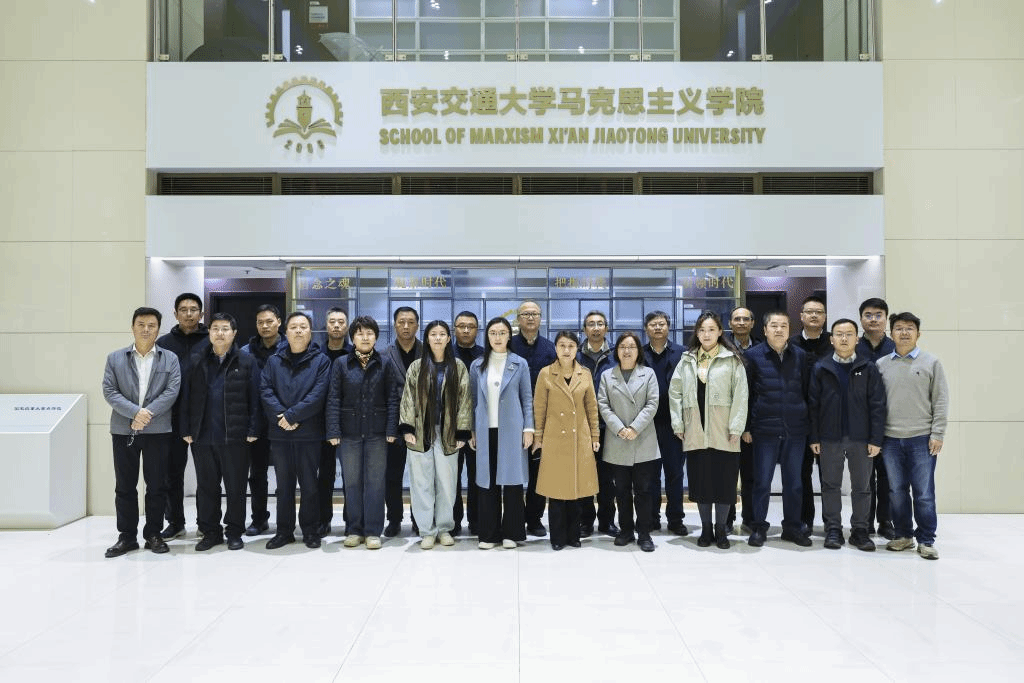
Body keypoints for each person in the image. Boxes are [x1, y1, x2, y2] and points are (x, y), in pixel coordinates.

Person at [102, 307, 181, 557]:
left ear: (158, 329)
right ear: (133, 327)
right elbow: (109, 391)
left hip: (158, 431)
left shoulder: (170, 359)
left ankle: (153, 534)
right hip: (123, 430)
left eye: (151, 325)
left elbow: (172, 391)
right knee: (125, 486)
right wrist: (135, 413)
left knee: (157, 485)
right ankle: (127, 537)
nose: (146, 329)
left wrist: (146, 415)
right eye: (141, 324)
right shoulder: (115, 358)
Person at [180, 313, 260, 551]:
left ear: (234, 333)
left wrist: (253, 428)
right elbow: (186, 397)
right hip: (203, 436)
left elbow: (255, 398)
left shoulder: (246, 361)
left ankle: (234, 531)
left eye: (225, 329)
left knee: (236, 487)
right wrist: (186, 428)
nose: (220, 333)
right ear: (209, 332)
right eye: (215, 328)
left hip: (235, 436)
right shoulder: (197, 360)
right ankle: (210, 532)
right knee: (206, 487)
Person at [669, 312, 748, 549]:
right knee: (701, 484)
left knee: (724, 484)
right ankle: (705, 530)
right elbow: (675, 393)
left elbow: (741, 395)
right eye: (702, 330)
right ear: (697, 333)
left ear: (720, 332)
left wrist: (736, 427)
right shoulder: (687, 360)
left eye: (711, 329)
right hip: (695, 431)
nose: (706, 334)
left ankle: (721, 530)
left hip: (725, 432)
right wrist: (678, 423)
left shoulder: (732, 360)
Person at [807, 318, 886, 552]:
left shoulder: (868, 368)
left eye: (849, 334)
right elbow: (813, 406)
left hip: (861, 438)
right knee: (830, 485)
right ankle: (833, 528)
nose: (844, 338)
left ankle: (860, 530)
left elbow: (878, 406)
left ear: (857, 339)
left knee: (862, 486)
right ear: (831, 339)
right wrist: (814, 437)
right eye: (839, 334)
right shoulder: (820, 368)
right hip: (829, 438)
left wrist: (876, 439)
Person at [877, 312, 949, 560]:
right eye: (899, 328)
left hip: (922, 438)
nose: (904, 332)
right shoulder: (882, 364)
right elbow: (876, 404)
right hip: (890, 439)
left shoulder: (931, 362)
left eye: (909, 328)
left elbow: (941, 400)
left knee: (924, 492)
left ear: (918, 333)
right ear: (891, 334)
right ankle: (903, 535)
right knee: (896, 490)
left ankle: (926, 540)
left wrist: (938, 433)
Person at [325, 316, 400, 550]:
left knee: (376, 483)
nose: (365, 337)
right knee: (352, 482)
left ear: (376, 337)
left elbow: (393, 398)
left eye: (369, 333)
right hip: (349, 433)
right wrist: (333, 429)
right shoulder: (341, 364)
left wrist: (391, 429)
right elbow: (333, 398)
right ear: (353, 338)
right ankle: (354, 529)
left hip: (378, 433)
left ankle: (373, 531)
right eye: (360, 333)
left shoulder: (385, 363)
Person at [259, 311, 332, 550]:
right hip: (280, 433)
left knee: (310, 485)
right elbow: (265, 390)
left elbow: (318, 394)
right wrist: (282, 416)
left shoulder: (321, 361)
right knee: (284, 486)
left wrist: (291, 415)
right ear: (286, 331)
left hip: (309, 433)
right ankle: (284, 531)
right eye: (293, 327)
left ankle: (310, 530)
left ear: (310, 331)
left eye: (303, 326)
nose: (298, 330)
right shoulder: (274, 361)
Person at [398, 320, 473, 550]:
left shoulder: (457, 366)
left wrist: (462, 431)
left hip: (448, 434)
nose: (438, 338)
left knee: (447, 484)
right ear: (427, 339)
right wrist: (407, 428)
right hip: (421, 433)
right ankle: (426, 530)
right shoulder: (417, 367)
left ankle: (444, 528)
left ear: (449, 339)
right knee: (421, 484)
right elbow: (408, 399)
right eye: (433, 334)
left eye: (442, 334)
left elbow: (465, 400)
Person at [743, 311, 812, 548]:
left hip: (796, 429)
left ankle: (792, 527)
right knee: (762, 482)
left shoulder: (800, 355)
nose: (779, 330)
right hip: (764, 429)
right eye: (774, 325)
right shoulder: (752, 356)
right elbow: (747, 394)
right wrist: (747, 427)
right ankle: (758, 527)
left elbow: (806, 391)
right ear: (764, 330)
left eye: (784, 325)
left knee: (794, 483)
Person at [468, 317, 534, 549]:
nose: (498, 337)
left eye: (502, 333)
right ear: (487, 336)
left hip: (513, 430)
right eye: (493, 333)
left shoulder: (519, 363)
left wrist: (529, 428)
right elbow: (473, 400)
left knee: (513, 483)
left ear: (509, 336)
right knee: (487, 483)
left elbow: (527, 398)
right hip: (485, 430)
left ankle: (512, 533)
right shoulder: (477, 365)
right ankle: (489, 534)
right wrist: (472, 430)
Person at [533, 331, 600, 551]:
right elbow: (539, 408)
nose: (566, 350)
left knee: (575, 490)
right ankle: (557, 537)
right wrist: (538, 437)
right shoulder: (546, 373)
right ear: (555, 348)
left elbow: (592, 407)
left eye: (571, 346)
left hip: (579, 437)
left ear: (577, 349)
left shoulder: (585, 374)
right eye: (562, 345)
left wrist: (595, 435)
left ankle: (574, 535)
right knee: (556, 491)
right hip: (554, 438)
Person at [597, 332, 660, 552]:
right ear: (616, 351)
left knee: (643, 490)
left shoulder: (648, 374)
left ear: (638, 351)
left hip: (643, 439)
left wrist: (634, 428)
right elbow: (603, 405)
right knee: (621, 491)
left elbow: (652, 403)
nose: (627, 351)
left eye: (632, 347)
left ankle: (644, 533)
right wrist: (620, 428)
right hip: (618, 439)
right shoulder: (607, 375)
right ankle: (625, 531)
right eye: (623, 346)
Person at [156, 292, 210, 540]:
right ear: (175, 314)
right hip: (172, 417)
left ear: (201, 313)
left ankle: (205, 522)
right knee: (172, 474)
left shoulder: (211, 340)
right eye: (183, 310)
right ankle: (175, 522)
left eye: (193, 309)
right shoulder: (164, 343)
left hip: (204, 418)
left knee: (206, 475)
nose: (189, 314)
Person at [508, 300, 557, 537]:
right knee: (515, 471)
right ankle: (515, 518)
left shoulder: (550, 348)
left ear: (540, 318)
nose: (530, 318)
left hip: (542, 419)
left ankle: (534, 519)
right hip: (512, 418)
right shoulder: (508, 346)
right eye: (525, 314)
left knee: (539, 472)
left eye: (534, 314)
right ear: (518, 319)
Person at [239, 304, 286, 536]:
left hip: (284, 418)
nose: (265, 326)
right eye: (260, 322)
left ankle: (286, 521)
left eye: (269, 321)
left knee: (285, 474)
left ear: (279, 321)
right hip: (255, 420)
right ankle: (259, 519)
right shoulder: (246, 351)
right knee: (257, 473)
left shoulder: (290, 347)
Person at [642, 311, 688, 536]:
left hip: (674, 424)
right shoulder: (640, 353)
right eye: (653, 324)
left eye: (662, 324)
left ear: (668, 327)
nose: (658, 327)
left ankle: (675, 519)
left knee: (675, 473)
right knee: (650, 475)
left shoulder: (682, 353)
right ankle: (652, 518)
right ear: (646, 329)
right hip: (647, 424)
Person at [790, 295, 832, 536]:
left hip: (828, 420)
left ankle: (831, 523)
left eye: (819, 312)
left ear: (824, 317)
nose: (814, 315)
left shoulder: (834, 342)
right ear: (801, 316)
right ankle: (805, 520)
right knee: (801, 474)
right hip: (800, 421)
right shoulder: (792, 344)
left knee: (829, 476)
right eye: (809, 312)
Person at [856, 297, 897, 541]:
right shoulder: (853, 347)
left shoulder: (895, 347)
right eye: (868, 315)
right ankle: (866, 521)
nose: (873, 319)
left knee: (887, 475)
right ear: (861, 318)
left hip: (890, 422)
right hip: (861, 422)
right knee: (864, 477)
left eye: (878, 315)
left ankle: (886, 520)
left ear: (886, 318)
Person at [576, 310, 618, 538]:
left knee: (607, 478)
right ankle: (585, 521)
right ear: (584, 329)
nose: (595, 328)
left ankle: (607, 521)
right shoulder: (576, 355)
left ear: (606, 328)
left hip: (608, 426)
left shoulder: (615, 355)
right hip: (581, 426)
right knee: (584, 475)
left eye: (600, 324)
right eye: (591, 324)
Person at [381, 306, 422, 537]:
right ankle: (394, 519)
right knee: (393, 475)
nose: (406, 326)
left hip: (422, 425)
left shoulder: (427, 351)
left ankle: (419, 519)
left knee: (420, 477)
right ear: (395, 324)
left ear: (417, 325)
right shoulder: (384, 354)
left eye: (410, 322)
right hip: (394, 426)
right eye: (401, 322)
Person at [725, 306, 760, 532]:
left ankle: (750, 518)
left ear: (752, 323)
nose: (741, 323)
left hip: (751, 425)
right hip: (725, 423)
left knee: (750, 475)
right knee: (727, 475)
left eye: (745, 319)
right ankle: (727, 519)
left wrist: (748, 426)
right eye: (736, 319)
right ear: (730, 323)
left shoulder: (760, 349)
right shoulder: (722, 348)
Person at [318, 306, 351, 538]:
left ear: (347, 326)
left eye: (341, 322)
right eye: (332, 322)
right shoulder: (316, 354)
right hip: (321, 424)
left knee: (351, 476)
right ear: (326, 325)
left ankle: (351, 520)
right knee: (325, 475)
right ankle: (323, 520)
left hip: (349, 423)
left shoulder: (355, 354)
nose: (337, 325)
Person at [452, 310, 484, 536]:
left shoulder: (485, 356)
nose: (465, 330)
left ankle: (476, 521)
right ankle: (453, 522)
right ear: (454, 329)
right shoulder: (444, 354)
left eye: (470, 327)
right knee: (451, 477)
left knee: (476, 476)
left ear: (477, 330)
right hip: (451, 427)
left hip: (479, 427)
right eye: (461, 326)